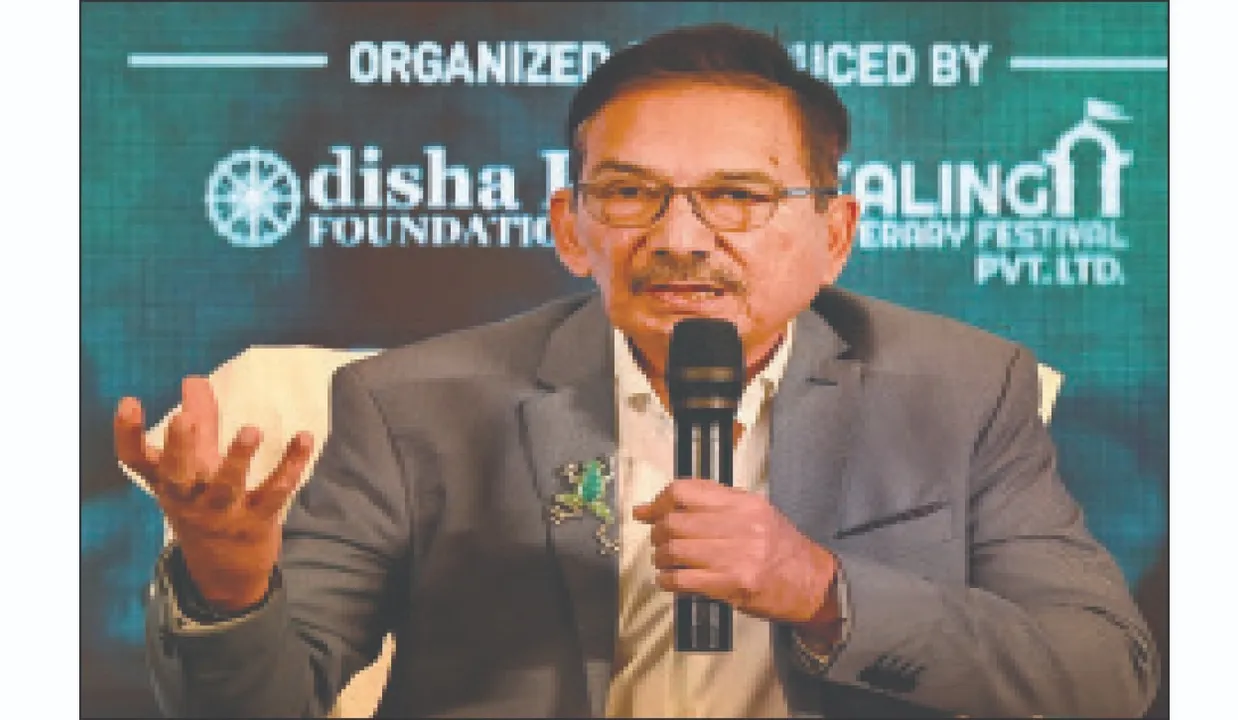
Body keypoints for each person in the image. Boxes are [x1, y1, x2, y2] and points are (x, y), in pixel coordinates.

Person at [116, 23, 1159, 718]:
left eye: (737, 197)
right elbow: (252, 705)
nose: (680, 238)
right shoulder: (412, 407)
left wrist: (820, 590)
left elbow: (1103, 673)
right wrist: (230, 581)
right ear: (571, 228)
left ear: (834, 234)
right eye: (628, 194)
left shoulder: (962, 391)